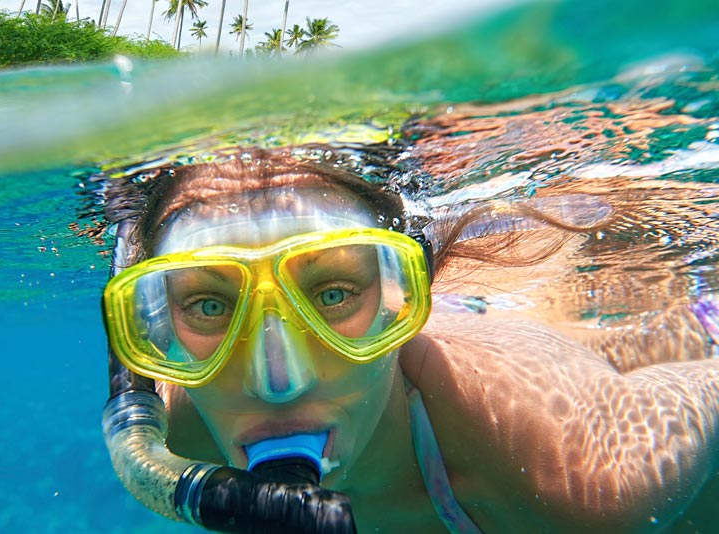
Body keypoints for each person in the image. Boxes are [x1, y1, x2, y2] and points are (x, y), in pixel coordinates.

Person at [99, 148, 719, 533]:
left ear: (406, 302)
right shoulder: (179, 437)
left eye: (335, 293)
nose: (278, 381)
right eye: (210, 306)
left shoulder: (582, 474)